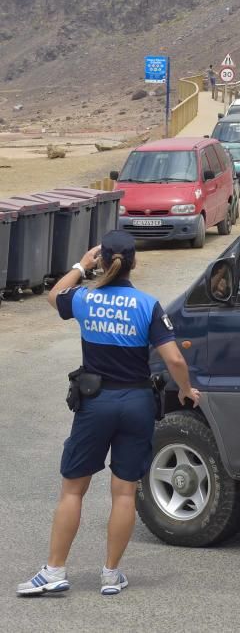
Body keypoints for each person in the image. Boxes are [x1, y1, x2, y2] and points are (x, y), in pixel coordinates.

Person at [17, 230, 201, 597]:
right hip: (136, 404)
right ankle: (111, 575)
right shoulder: (148, 305)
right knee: (123, 493)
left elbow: (54, 296)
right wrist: (185, 389)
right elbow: (175, 358)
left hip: (96, 403)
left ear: (102, 260)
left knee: (73, 489)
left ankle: (54, 571)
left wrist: (80, 266)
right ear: (134, 262)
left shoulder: (86, 298)